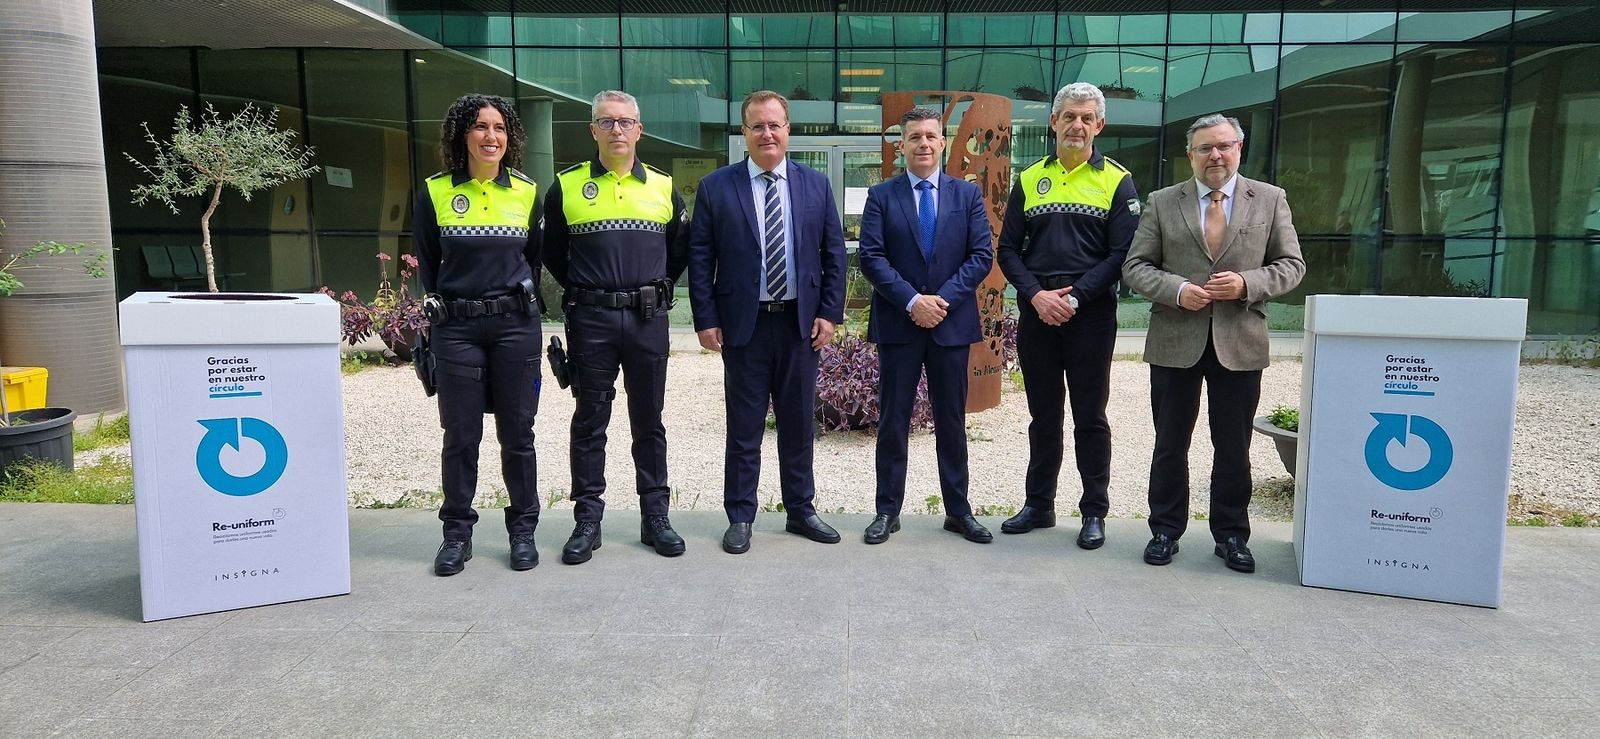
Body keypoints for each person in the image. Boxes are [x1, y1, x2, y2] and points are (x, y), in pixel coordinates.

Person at [1121, 113, 1305, 573]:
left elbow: (1291, 266)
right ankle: (1164, 530)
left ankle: (1232, 536)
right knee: (1169, 443)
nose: (1215, 155)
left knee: (1233, 446)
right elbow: (1135, 267)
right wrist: (1177, 290)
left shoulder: (1269, 199)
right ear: (1191, 155)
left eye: (1224, 146)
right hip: (1174, 342)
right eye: (1205, 148)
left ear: (1239, 149)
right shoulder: (1163, 202)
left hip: (1239, 342)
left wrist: (1245, 283)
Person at [687, 90, 848, 554]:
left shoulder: (815, 185)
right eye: (757, 126)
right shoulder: (718, 186)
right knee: (744, 427)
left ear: (788, 130)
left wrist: (829, 313)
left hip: (800, 325)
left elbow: (833, 255)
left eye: (775, 125)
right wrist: (705, 317)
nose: (767, 133)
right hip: (745, 326)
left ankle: (800, 510)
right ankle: (740, 516)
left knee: (798, 424)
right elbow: (702, 258)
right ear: (744, 133)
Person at [542, 90, 689, 565]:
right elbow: (550, 252)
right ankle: (588, 521)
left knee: (649, 422)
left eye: (626, 122)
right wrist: (588, 290)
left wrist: (656, 287)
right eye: (607, 123)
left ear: (639, 129)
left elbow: (681, 251)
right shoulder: (565, 187)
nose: (617, 131)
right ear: (593, 131)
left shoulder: (665, 188)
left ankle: (655, 518)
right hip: (592, 321)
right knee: (590, 422)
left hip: (648, 320)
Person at [994, 82, 1139, 550]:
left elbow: (1122, 254)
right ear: (1053, 122)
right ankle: (1039, 504)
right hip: (1038, 316)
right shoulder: (1029, 178)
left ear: (1100, 125)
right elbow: (1008, 249)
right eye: (1069, 116)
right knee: (1042, 415)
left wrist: (1074, 298)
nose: (1077, 125)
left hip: (1091, 318)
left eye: (1086, 118)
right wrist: (1036, 296)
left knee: (1090, 416)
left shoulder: (1118, 180)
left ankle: (1094, 510)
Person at [413, 94, 544, 576]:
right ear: (461, 136)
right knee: (461, 436)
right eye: (480, 127)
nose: (491, 136)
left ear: (509, 137)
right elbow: (429, 263)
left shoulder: (528, 192)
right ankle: (456, 535)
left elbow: (533, 259)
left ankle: (523, 531)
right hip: (457, 329)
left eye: (499, 128)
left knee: (518, 435)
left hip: (515, 327)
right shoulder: (434, 191)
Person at [856, 107, 994, 545]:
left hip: (951, 327)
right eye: (913, 136)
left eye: (930, 136)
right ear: (901, 145)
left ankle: (958, 511)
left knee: (951, 422)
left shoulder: (966, 196)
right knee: (892, 422)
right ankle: (886, 511)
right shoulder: (881, 196)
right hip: (900, 325)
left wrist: (941, 302)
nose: (922, 144)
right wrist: (913, 301)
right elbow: (872, 257)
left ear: (942, 141)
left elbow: (980, 257)